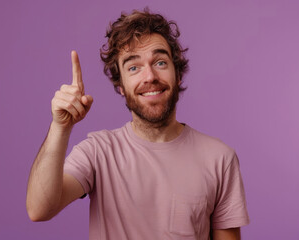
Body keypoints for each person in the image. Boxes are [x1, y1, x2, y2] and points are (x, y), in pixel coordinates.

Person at [26, 9, 249, 240]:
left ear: (178, 74)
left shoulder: (220, 159)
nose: (149, 76)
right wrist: (60, 128)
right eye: (134, 67)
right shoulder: (98, 152)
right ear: (121, 85)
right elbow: (39, 209)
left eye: (160, 62)